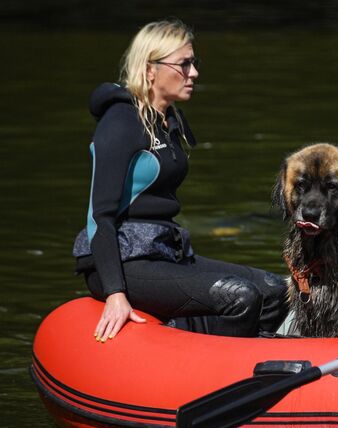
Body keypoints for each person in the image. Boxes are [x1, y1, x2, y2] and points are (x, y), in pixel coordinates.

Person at [72, 19, 288, 342]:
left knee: (274, 291)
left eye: (194, 63)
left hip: (165, 251)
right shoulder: (119, 123)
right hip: (122, 260)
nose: (194, 73)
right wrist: (115, 292)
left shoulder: (167, 118)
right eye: (184, 64)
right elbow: (98, 216)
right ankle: (205, 358)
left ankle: (224, 349)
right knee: (241, 297)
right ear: (150, 70)